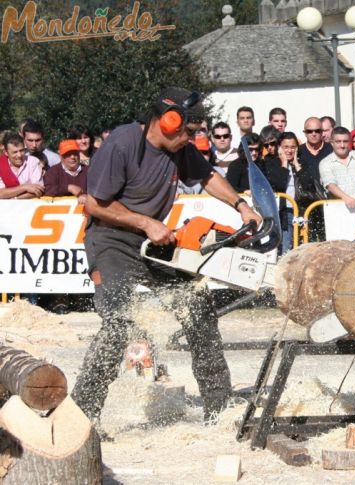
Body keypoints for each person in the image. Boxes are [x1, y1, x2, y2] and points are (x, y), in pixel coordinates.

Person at [71, 87, 262, 424]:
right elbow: (94, 202)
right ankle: (81, 416)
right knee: (119, 322)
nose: (191, 140)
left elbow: (206, 176)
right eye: (188, 132)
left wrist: (242, 206)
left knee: (198, 310)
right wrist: (145, 222)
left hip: (153, 240)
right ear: (169, 121)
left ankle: (219, 406)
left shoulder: (180, 149)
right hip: (111, 239)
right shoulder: (123, 142)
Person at [319, 127, 355, 210]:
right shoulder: (325, 163)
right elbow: (330, 185)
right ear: (332, 143)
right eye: (338, 142)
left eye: (345, 141)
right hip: (339, 211)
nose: (342, 145)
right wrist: (346, 198)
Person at [0, 133, 44, 199]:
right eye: (15, 152)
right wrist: (25, 187)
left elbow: (38, 190)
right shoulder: (1, 164)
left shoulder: (32, 162)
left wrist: (15, 199)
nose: (19, 155)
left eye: (21, 151)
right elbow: (1, 193)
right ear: (6, 152)